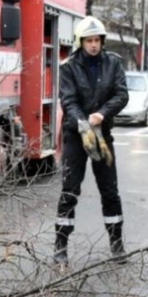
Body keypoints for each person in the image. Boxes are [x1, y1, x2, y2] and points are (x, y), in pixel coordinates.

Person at [54, 16, 129, 266]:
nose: (94, 45)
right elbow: (68, 100)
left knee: (110, 192)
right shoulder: (68, 66)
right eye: (89, 40)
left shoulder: (113, 64)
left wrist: (102, 114)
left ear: (102, 42)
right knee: (70, 191)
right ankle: (60, 247)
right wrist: (83, 122)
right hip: (76, 136)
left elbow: (121, 94)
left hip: (102, 136)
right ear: (81, 42)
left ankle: (117, 245)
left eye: (97, 40)